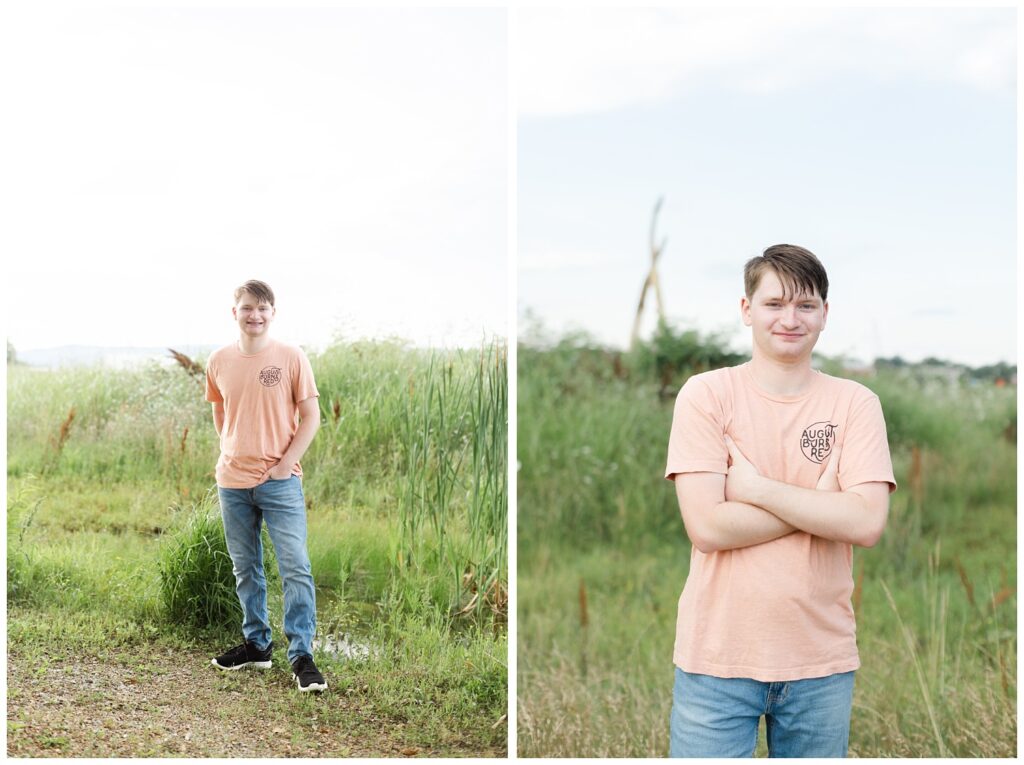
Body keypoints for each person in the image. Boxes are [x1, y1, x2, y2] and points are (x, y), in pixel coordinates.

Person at [664, 244, 896, 757]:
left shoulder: (855, 403)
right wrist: (820, 503)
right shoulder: (706, 396)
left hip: (820, 662)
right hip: (717, 657)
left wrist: (754, 489)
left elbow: (866, 523)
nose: (790, 318)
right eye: (774, 304)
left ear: (824, 314)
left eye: (805, 305)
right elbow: (707, 527)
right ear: (747, 310)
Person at [205, 279, 327, 693]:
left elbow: (311, 416)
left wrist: (286, 464)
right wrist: (228, 448)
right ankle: (257, 646)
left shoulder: (291, 358)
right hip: (232, 483)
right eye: (246, 308)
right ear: (234, 312)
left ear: (273, 313)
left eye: (262, 308)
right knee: (246, 568)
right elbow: (220, 409)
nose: (254, 315)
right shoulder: (218, 360)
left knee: (295, 567)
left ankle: (301, 656)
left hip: (279, 482)